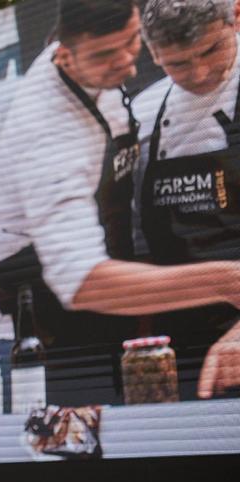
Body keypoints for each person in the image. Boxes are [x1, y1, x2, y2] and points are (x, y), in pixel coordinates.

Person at [0, 0, 240, 407]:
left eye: (131, 44)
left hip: (106, 316)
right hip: (33, 326)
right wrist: (228, 281)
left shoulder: (106, 69)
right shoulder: (46, 129)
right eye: (103, 55)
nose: (126, 65)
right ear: (65, 53)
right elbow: (78, 279)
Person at [132, 0, 240, 399]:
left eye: (212, 50)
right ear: (153, 53)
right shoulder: (142, 116)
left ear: (237, 18)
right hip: (178, 340)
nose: (199, 73)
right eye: (177, 63)